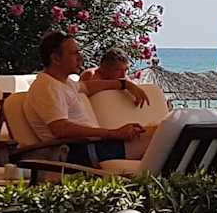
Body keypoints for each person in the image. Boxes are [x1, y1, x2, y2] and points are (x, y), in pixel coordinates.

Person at [12, 31, 150, 167]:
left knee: (157, 134)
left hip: (90, 146)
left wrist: (124, 84)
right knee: (156, 137)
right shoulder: (47, 87)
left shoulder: (64, 83)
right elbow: (61, 129)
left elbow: (87, 87)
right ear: (56, 58)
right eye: (75, 53)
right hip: (77, 152)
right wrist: (113, 134)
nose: (80, 58)